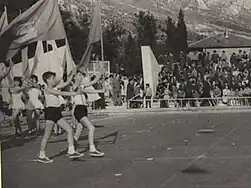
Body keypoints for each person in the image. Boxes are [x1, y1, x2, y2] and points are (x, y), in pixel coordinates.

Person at [38, 70, 83, 163]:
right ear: (48, 80)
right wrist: (75, 94)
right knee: (47, 135)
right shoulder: (47, 89)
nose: (54, 80)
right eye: (53, 79)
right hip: (50, 112)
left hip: (57, 112)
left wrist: (72, 75)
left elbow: (67, 83)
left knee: (70, 129)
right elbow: (60, 93)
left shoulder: (55, 88)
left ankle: (71, 150)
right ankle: (41, 155)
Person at [72, 70, 105, 157]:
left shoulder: (82, 85)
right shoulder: (74, 86)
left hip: (83, 109)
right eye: (79, 75)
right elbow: (76, 87)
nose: (81, 77)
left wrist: (100, 73)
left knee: (78, 132)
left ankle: (71, 149)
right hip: (78, 109)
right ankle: (92, 149)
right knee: (91, 128)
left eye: (81, 75)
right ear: (74, 77)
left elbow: (93, 81)